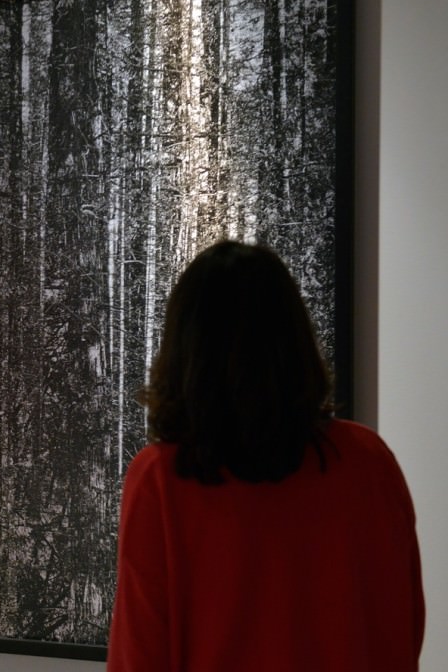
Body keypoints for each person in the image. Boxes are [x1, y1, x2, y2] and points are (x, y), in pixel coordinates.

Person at [106, 240, 424, 671]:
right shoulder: (369, 462)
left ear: (186, 352)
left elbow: (139, 655)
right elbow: (401, 630)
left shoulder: (162, 478)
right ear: (295, 340)